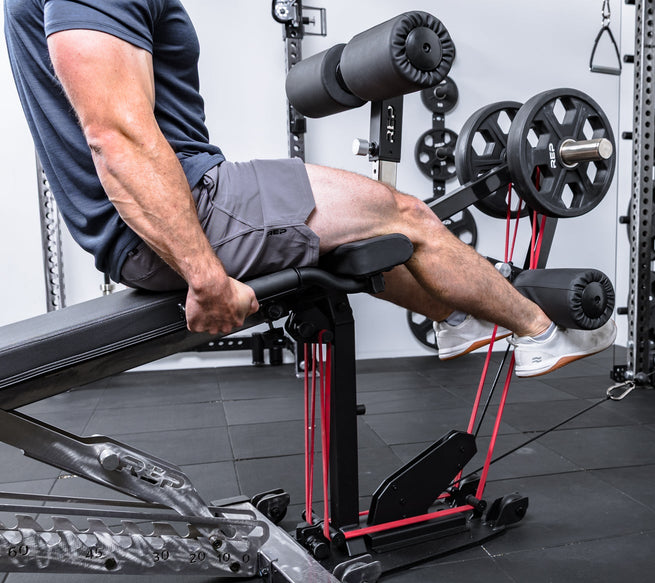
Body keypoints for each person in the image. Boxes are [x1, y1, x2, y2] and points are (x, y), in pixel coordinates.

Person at [3, 0, 615, 377]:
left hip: (145, 226)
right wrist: (206, 278)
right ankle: (541, 332)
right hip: (190, 206)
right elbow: (117, 138)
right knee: (406, 215)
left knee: (365, 241)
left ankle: (455, 317)